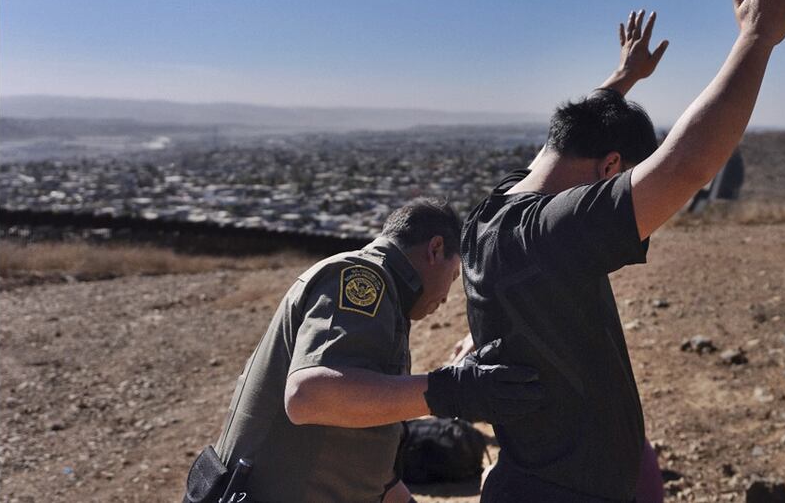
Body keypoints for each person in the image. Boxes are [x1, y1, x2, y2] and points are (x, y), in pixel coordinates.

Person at [461, 0, 785, 501]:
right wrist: (757, 39)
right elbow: (687, 164)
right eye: (621, 178)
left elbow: (567, 138)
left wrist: (621, 79)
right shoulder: (552, 234)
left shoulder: (496, 208)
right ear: (609, 169)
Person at [185, 198, 544, 503]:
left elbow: (370, 459)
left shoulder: (389, 306)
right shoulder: (362, 279)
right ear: (435, 249)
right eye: (453, 278)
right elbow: (309, 395)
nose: (447, 296)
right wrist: (454, 389)